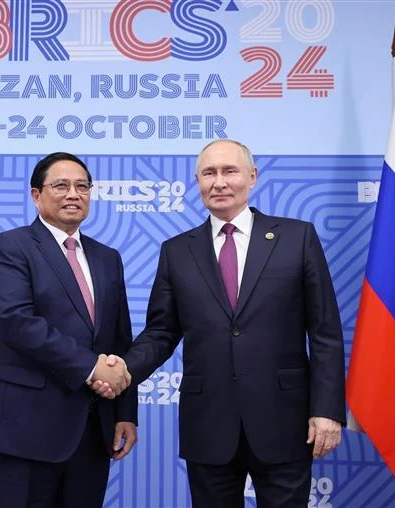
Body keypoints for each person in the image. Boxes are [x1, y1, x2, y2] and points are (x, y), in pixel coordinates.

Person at [96, 140, 346, 507]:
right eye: (209, 173)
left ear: (252, 176)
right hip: (208, 423)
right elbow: (162, 332)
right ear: (197, 180)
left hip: (284, 420)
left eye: (229, 171)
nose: (219, 182)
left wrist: (326, 410)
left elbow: (325, 332)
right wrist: (124, 368)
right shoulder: (177, 250)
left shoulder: (297, 238)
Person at [0, 152, 138, 507]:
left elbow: (119, 340)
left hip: (92, 430)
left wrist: (125, 412)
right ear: (36, 195)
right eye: (61, 185)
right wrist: (91, 367)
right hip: (25, 430)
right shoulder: (10, 246)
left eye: (82, 186)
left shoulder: (107, 257)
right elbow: (16, 322)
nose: (73, 194)